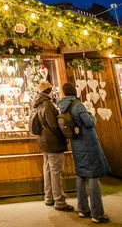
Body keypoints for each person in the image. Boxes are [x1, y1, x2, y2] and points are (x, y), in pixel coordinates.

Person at [58, 82, 110, 224]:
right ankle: (97, 213)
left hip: (76, 143)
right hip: (88, 143)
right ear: (75, 91)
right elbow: (88, 122)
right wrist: (93, 117)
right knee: (93, 176)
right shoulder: (78, 105)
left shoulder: (62, 106)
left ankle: (82, 209)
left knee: (80, 175)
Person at [33, 81, 74, 211]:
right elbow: (54, 125)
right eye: (52, 90)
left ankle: (49, 197)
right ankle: (59, 201)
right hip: (53, 142)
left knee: (48, 169)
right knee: (56, 171)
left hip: (44, 141)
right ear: (48, 91)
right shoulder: (48, 104)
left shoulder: (38, 103)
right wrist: (63, 136)